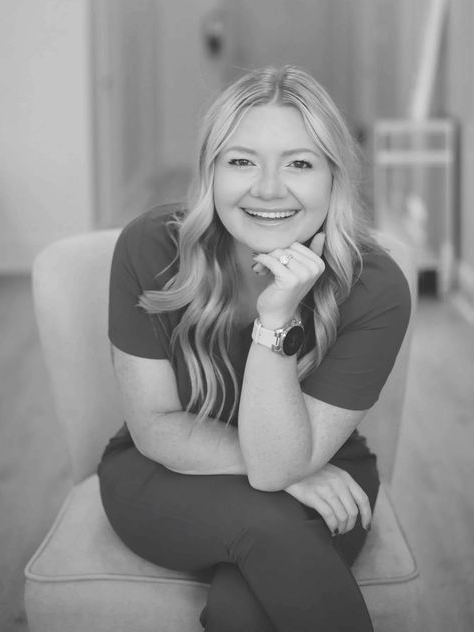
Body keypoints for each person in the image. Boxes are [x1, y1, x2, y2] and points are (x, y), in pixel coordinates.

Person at [98, 65, 411, 632]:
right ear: (210, 173)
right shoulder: (151, 246)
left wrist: (277, 319)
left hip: (328, 462)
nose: (269, 189)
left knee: (244, 610)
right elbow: (156, 427)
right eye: (241, 161)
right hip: (167, 471)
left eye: (299, 163)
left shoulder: (375, 287)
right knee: (269, 524)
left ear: (334, 178)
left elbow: (282, 462)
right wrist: (289, 472)